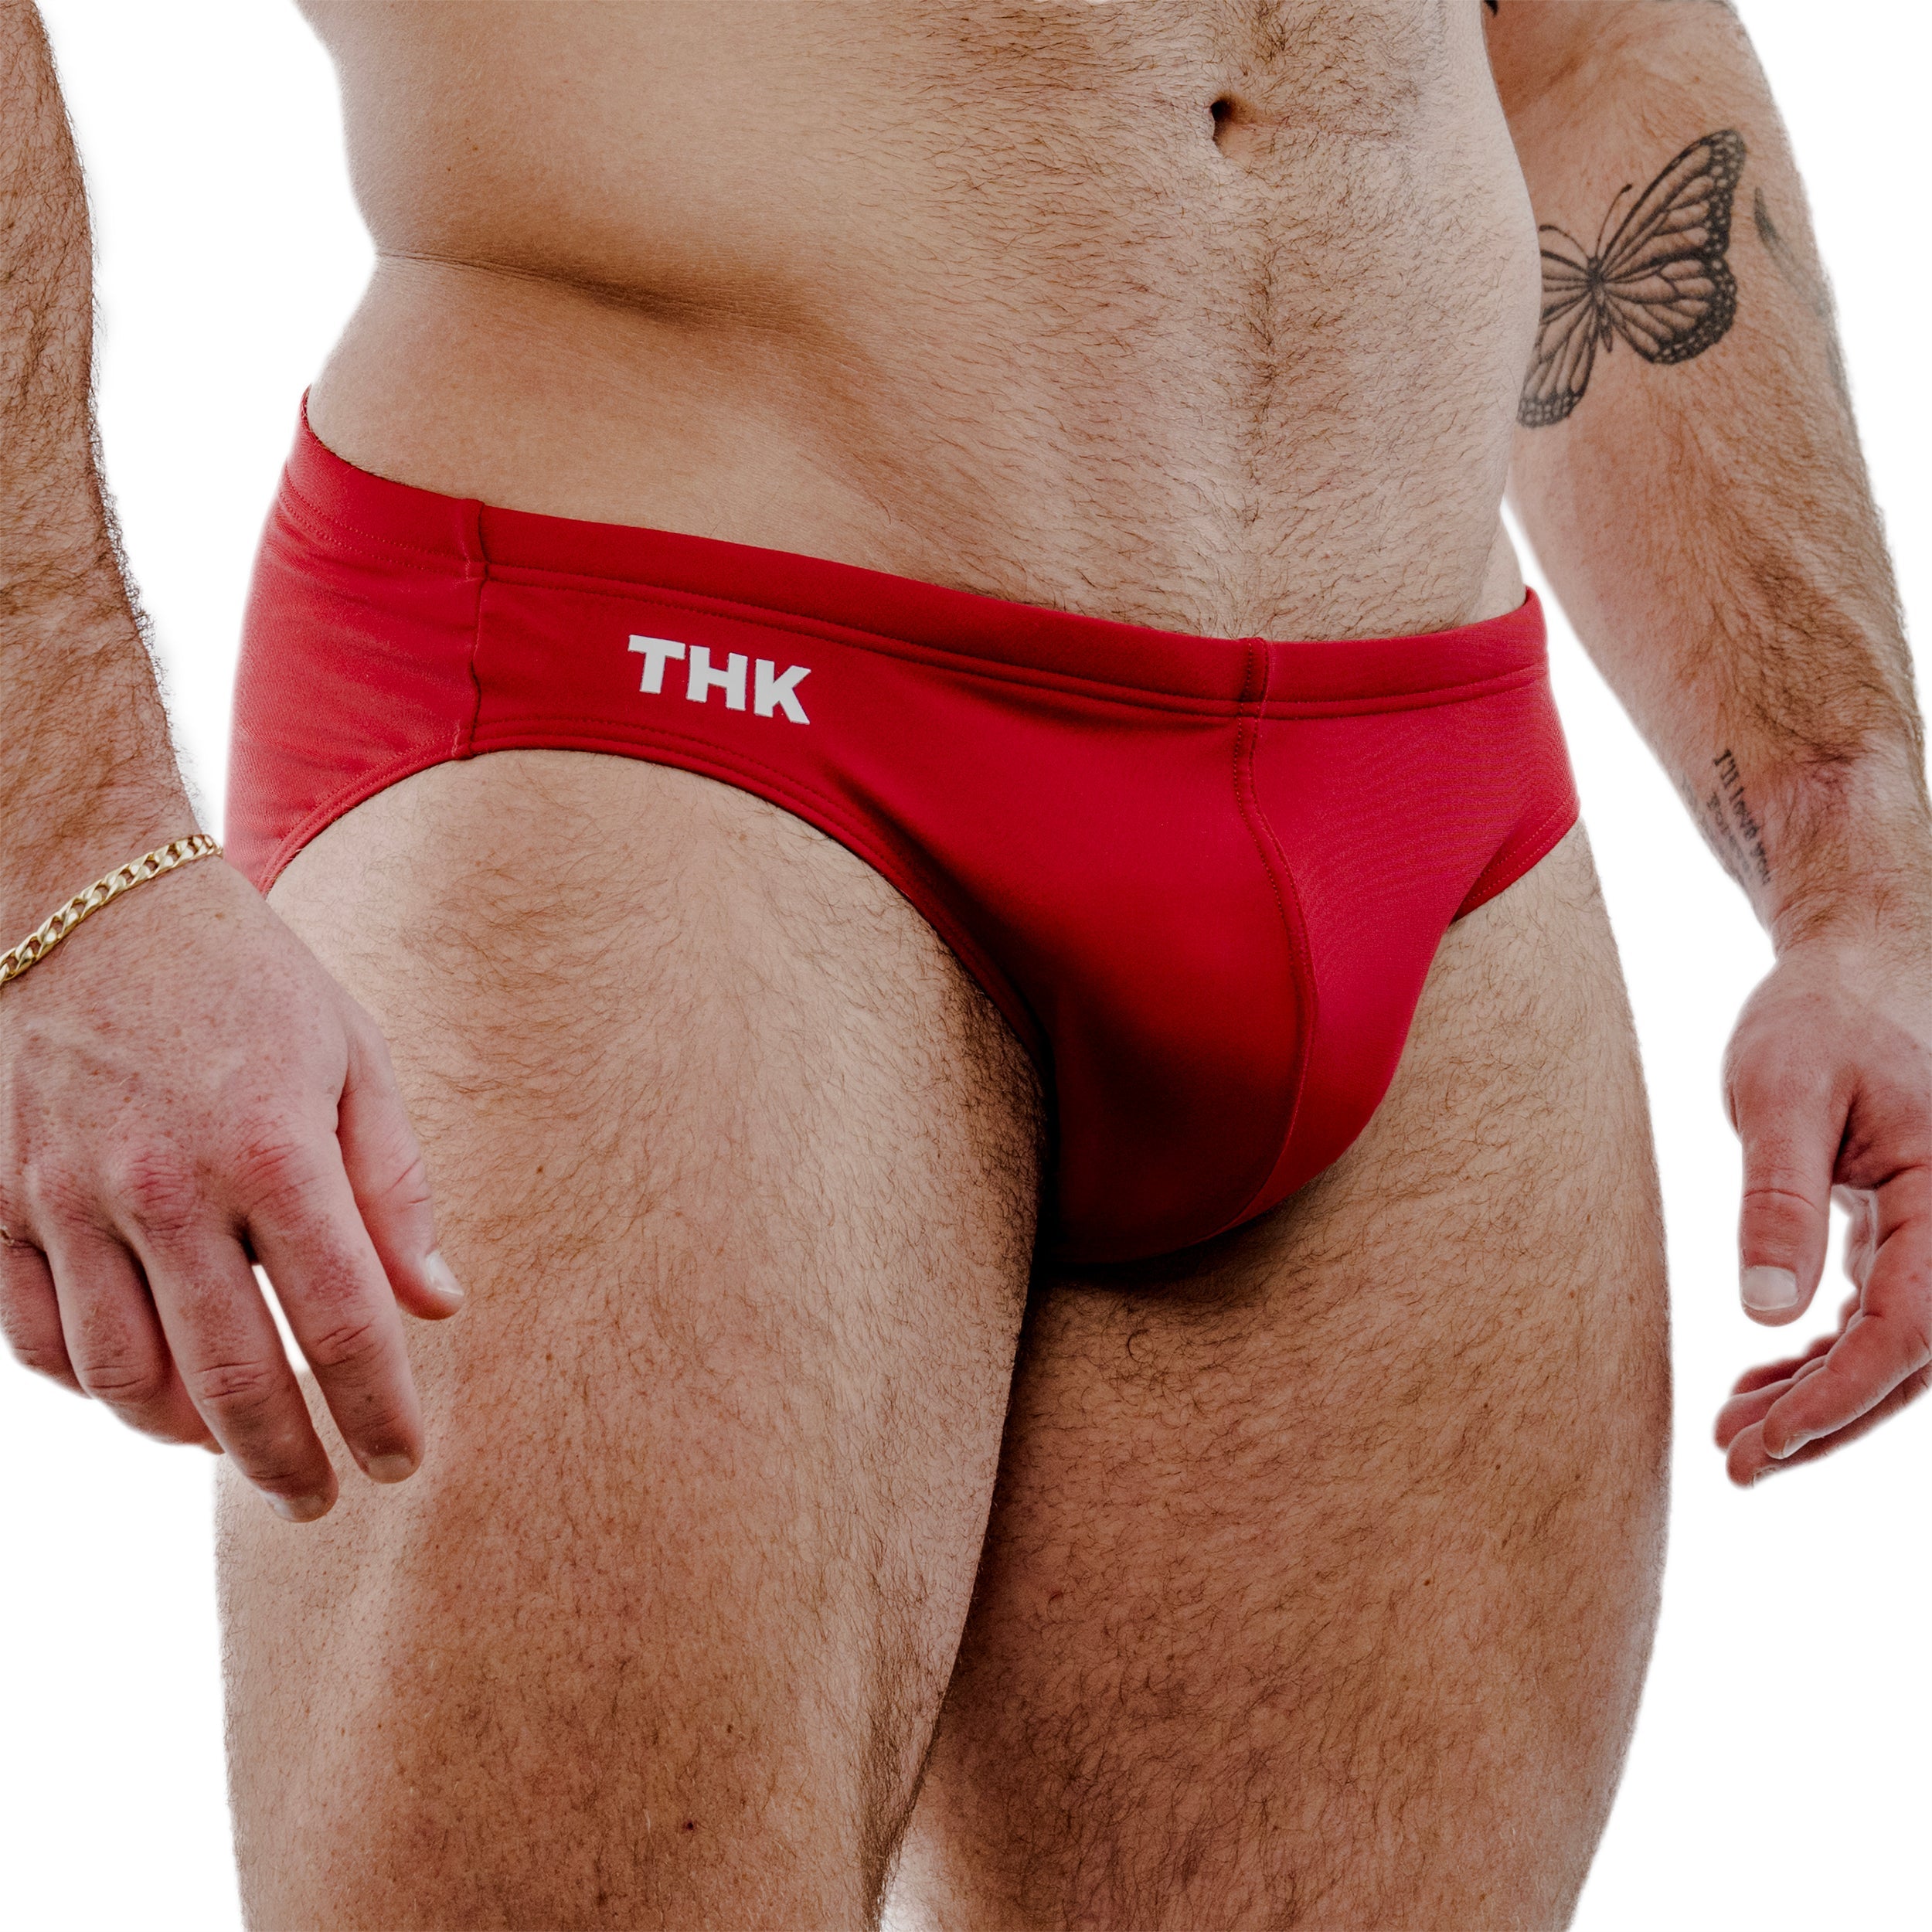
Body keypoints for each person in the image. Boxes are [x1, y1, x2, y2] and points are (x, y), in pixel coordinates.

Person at [0, 1, 1924, 1926]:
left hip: (1424, 782)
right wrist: (67, 848)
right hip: (673, 694)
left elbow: (1587, 49)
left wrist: (1854, 857)